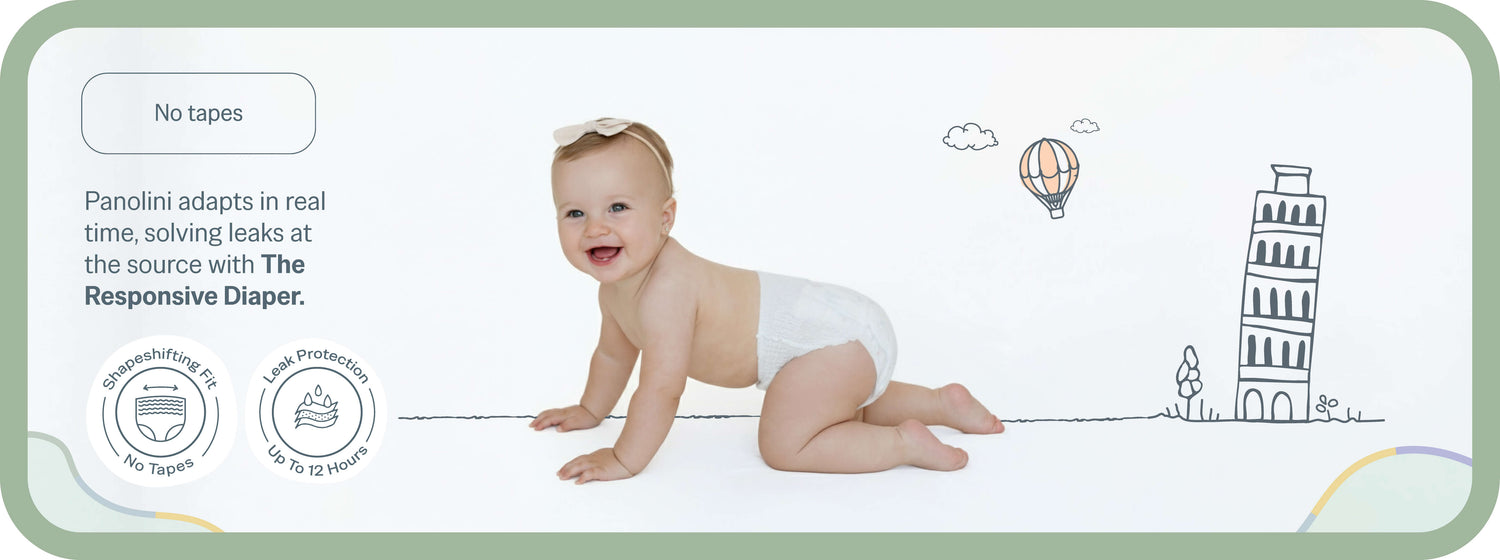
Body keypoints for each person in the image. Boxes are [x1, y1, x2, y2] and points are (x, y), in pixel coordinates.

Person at [531, 117, 1004, 484]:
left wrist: (623, 458)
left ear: (665, 218)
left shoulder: (668, 289)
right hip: (836, 337)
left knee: (786, 443)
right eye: (575, 213)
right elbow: (613, 355)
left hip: (829, 340)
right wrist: (590, 410)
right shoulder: (616, 290)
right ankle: (941, 403)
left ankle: (903, 444)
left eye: (618, 207)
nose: (595, 228)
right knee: (834, 403)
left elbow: (661, 389)